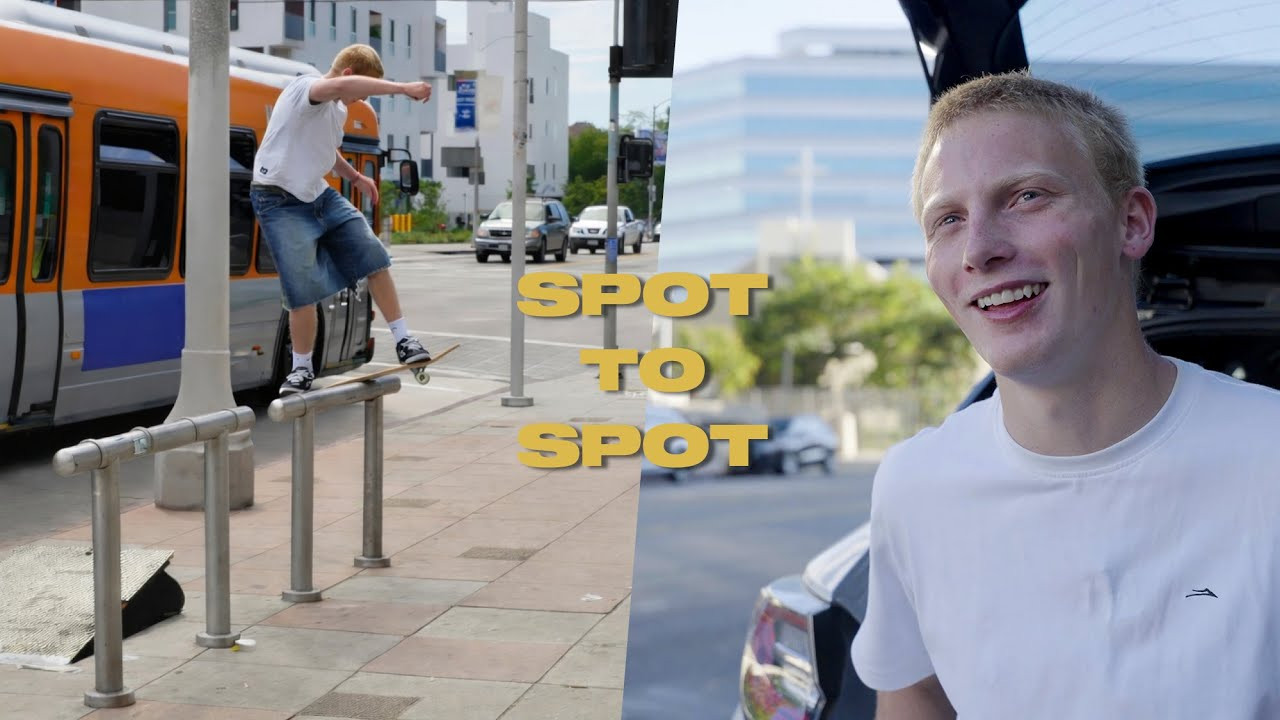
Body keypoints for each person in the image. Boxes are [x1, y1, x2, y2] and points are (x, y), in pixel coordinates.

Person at [850, 71, 1280, 718]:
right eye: (948, 219)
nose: (980, 249)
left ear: (1131, 223)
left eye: (1026, 196)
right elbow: (913, 690)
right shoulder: (914, 484)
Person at [251, 44, 433, 395]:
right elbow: (335, 89)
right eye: (360, 94)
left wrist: (355, 177)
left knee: (372, 254)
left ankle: (405, 339)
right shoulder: (306, 88)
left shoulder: (336, 112)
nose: (357, 102)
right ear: (349, 76)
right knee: (300, 287)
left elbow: (326, 149)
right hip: (277, 200)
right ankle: (301, 369)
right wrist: (402, 89)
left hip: (317, 193)